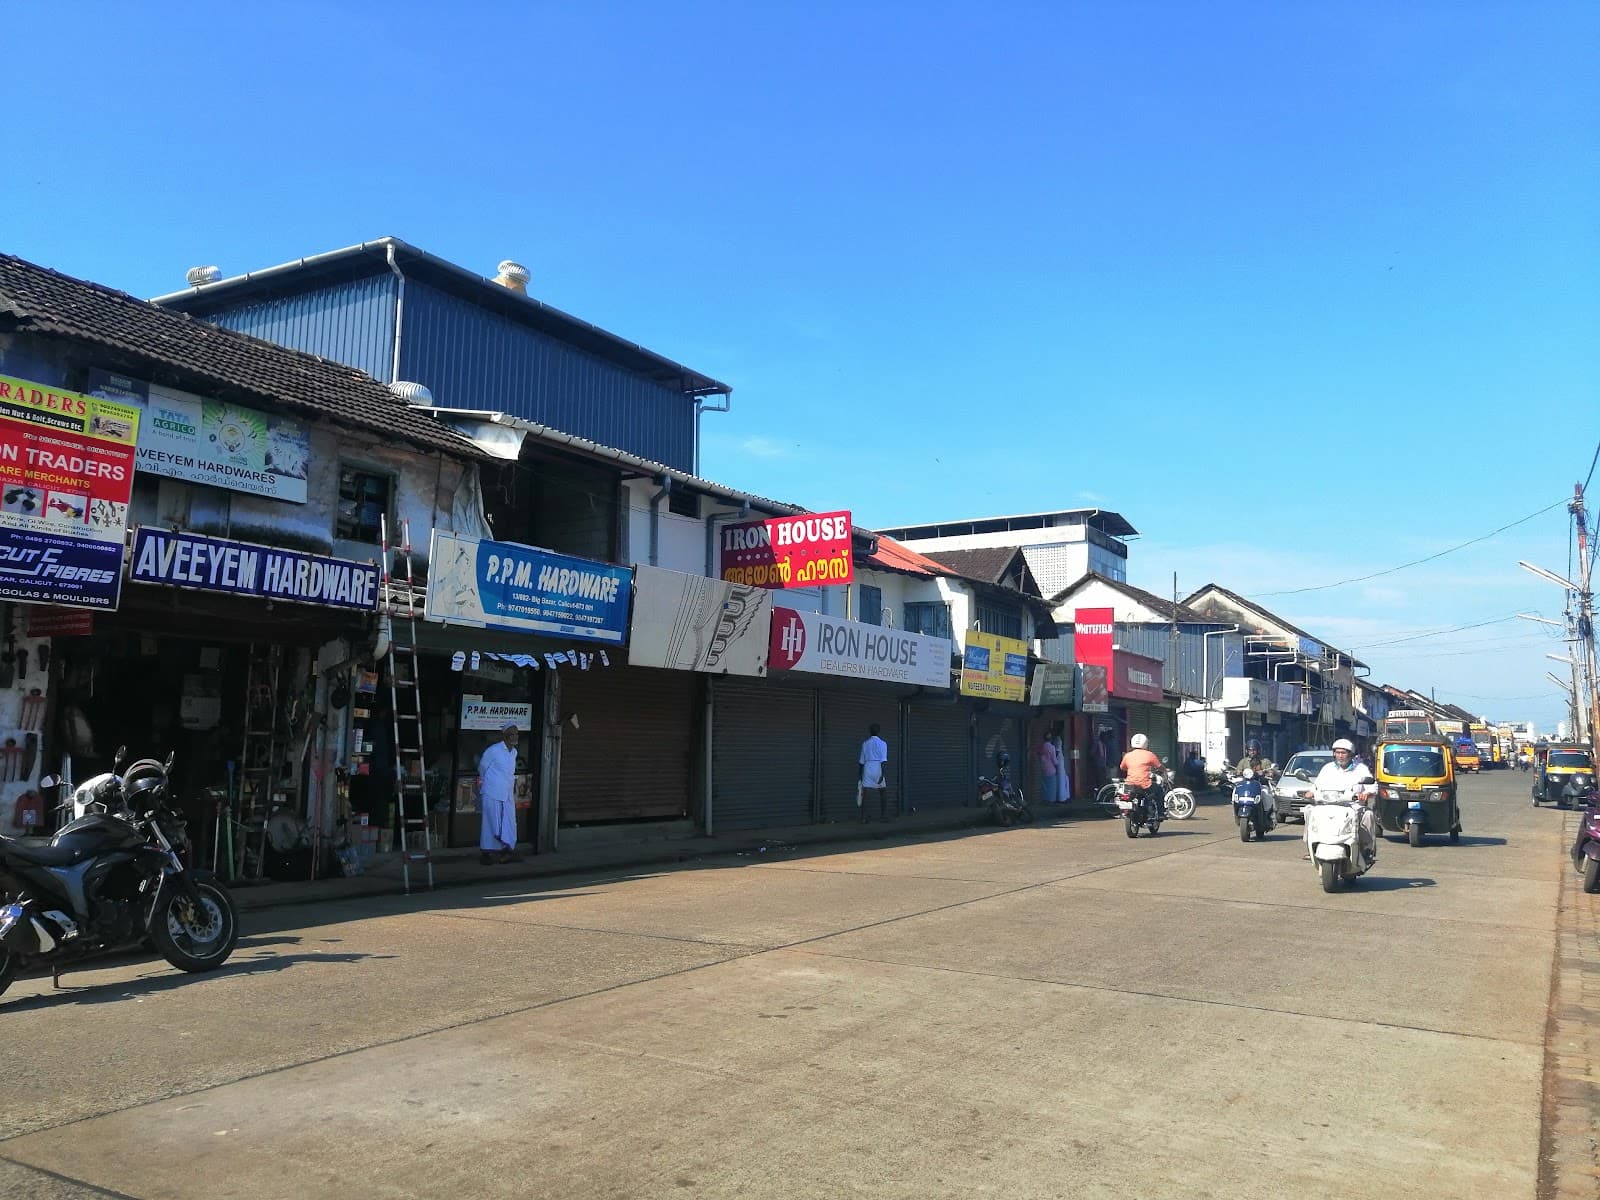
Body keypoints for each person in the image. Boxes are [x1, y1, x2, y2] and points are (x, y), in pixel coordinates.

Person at [1309, 737, 1376, 860]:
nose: (1340, 756)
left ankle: (1366, 848)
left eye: (1343, 753)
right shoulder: (1327, 768)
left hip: (1353, 806)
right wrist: (1311, 792)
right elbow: (1316, 785)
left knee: (1368, 815)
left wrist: (1366, 793)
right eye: (1337, 753)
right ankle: (1312, 845)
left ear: (1350, 754)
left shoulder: (1360, 769)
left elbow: (1372, 787)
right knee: (1310, 811)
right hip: (1329, 805)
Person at [477, 723, 522, 865]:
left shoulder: (514, 752)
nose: (515, 737)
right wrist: (485, 783)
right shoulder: (494, 750)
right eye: (512, 734)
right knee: (491, 823)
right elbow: (482, 767)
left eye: (516, 734)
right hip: (492, 791)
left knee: (508, 823)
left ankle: (507, 851)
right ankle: (486, 853)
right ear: (505, 736)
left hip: (507, 793)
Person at [1118, 733, 1165, 819]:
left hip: (1129, 785)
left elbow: (1122, 767)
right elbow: (1159, 767)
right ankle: (1161, 813)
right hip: (1145, 784)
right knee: (1159, 790)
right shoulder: (1149, 754)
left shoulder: (1128, 755)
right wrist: (1165, 770)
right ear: (1146, 743)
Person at [859, 723, 890, 823]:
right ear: (878, 731)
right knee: (883, 792)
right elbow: (883, 761)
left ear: (870, 731)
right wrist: (883, 774)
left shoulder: (865, 743)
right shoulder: (883, 743)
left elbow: (861, 761)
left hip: (868, 767)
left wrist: (860, 775)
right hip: (878, 768)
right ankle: (883, 815)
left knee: (866, 794)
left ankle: (863, 817)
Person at [1035, 731, 1061, 804]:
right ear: (1050, 739)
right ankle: (1051, 801)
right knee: (1052, 786)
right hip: (1051, 769)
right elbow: (1054, 760)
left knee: (1045, 785)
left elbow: (1038, 753)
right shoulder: (1052, 747)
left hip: (1043, 768)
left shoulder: (1042, 747)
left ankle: (1045, 800)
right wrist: (1057, 767)